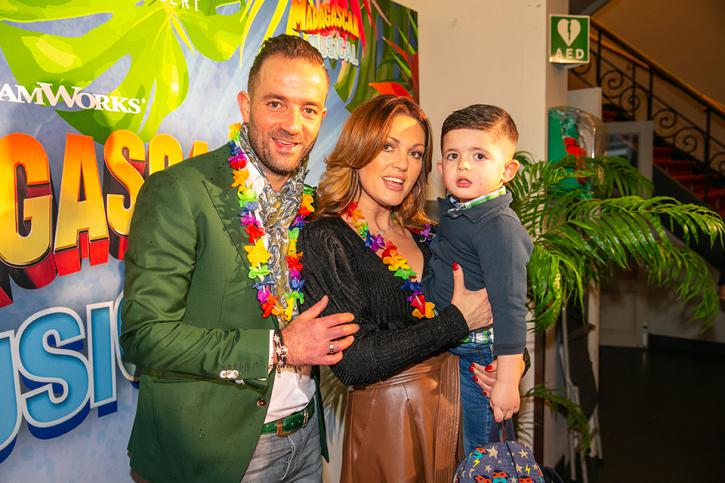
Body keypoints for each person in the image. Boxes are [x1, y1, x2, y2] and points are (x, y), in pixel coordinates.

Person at [120, 35, 359, 483]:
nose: (293, 125)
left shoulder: (312, 205)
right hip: (212, 454)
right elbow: (144, 334)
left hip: (306, 438)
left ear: (322, 118)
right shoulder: (181, 191)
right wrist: (279, 348)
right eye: (276, 104)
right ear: (245, 106)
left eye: (308, 109)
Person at [299, 95, 492, 483]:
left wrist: (503, 362)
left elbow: (485, 307)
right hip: (391, 427)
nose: (403, 164)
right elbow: (354, 362)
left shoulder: (429, 235)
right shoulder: (327, 237)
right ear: (359, 148)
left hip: (457, 411)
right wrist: (457, 322)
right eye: (388, 146)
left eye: (416, 153)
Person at [422, 104, 533, 456]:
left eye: (479, 155)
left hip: (479, 354)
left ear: (507, 170)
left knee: (482, 453)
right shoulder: (459, 211)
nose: (464, 165)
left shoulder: (499, 226)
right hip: (454, 344)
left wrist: (507, 380)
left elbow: (510, 307)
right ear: (441, 168)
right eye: (453, 155)